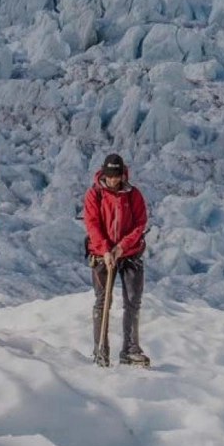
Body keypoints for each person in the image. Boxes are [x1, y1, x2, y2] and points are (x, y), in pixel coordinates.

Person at [83, 153, 150, 367]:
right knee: (103, 301)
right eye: (110, 176)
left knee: (133, 301)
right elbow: (92, 224)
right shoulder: (94, 194)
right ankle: (100, 348)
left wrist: (121, 247)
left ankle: (130, 349)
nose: (113, 180)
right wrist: (105, 250)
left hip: (129, 254)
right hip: (101, 254)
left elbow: (140, 225)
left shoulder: (133, 195)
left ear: (123, 175)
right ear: (104, 173)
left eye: (117, 176)